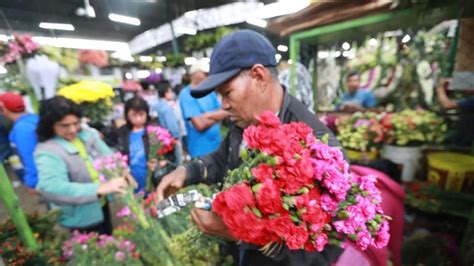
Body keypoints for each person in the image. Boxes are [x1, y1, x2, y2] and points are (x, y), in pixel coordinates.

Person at [156, 29, 343, 266]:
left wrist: (244, 231)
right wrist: (187, 172)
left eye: (227, 93)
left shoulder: (318, 147)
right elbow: (223, 157)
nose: (223, 106)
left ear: (258, 76)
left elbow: (323, 252)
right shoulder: (247, 120)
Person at [34, 96, 134, 234]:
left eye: (76, 123)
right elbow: (51, 187)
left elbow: (109, 156)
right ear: (49, 125)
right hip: (81, 216)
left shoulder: (86, 135)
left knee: (108, 235)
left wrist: (122, 170)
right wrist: (98, 189)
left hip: (102, 204)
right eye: (64, 125)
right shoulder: (47, 151)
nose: (73, 129)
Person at [178, 60, 228, 158]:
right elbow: (200, 125)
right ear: (195, 73)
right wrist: (218, 116)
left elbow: (225, 112)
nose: (207, 76)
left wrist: (208, 115)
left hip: (218, 145)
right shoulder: (186, 94)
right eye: (204, 73)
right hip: (200, 151)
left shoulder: (209, 91)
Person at [116, 97, 163, 193]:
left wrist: (159, 161)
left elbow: (162, 150)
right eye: (134, 115)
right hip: (131, 179)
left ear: (147, 114)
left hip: (152, 178)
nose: (138, 118)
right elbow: (118, 154)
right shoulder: (122, 132)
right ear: (127, 116)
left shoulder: (153, 131)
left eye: (141, 114)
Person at [0, 92, 39, 189]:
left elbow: (29, 157)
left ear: (4, 109)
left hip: (44, 180)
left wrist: (32, 183)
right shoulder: (36, 118)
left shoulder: (21, 130)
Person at [436, 78, 474, 146]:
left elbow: (447, 105)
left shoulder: (471, 100)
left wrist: (440, 88)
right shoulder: (469, 99)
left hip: (467, 145)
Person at [153, 81, 183, 164]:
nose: (172, 94)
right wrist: (176, 137)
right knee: (176, 162)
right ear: (165, 93)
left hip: (162, 139)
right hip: (171, 139)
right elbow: (171, 125)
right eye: (170, 91)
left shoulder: (157, 106)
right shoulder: (166, 108)